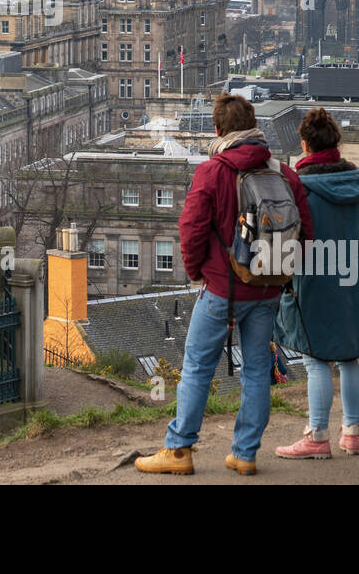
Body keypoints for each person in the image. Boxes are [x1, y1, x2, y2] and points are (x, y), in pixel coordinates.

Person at [135, 93, 313, 477]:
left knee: (198, 367)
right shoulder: (284, 173)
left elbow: (192, 229)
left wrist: (198, 271)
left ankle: (179, 450)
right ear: (254, 127)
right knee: (256, 369)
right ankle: (245, 453)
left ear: (218, 130)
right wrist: (281, 273)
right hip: (267, 290)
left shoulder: (212, 171)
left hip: (222, 290)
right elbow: (307, 234)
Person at [273, 107, 359, 459]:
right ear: (335, 142)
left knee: (315, 357)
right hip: (353, 275)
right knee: (350, 356)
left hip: (314, 278)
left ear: (305, 145)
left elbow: (286, 236)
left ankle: (317, 437)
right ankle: (351, 434)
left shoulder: (298, 186)